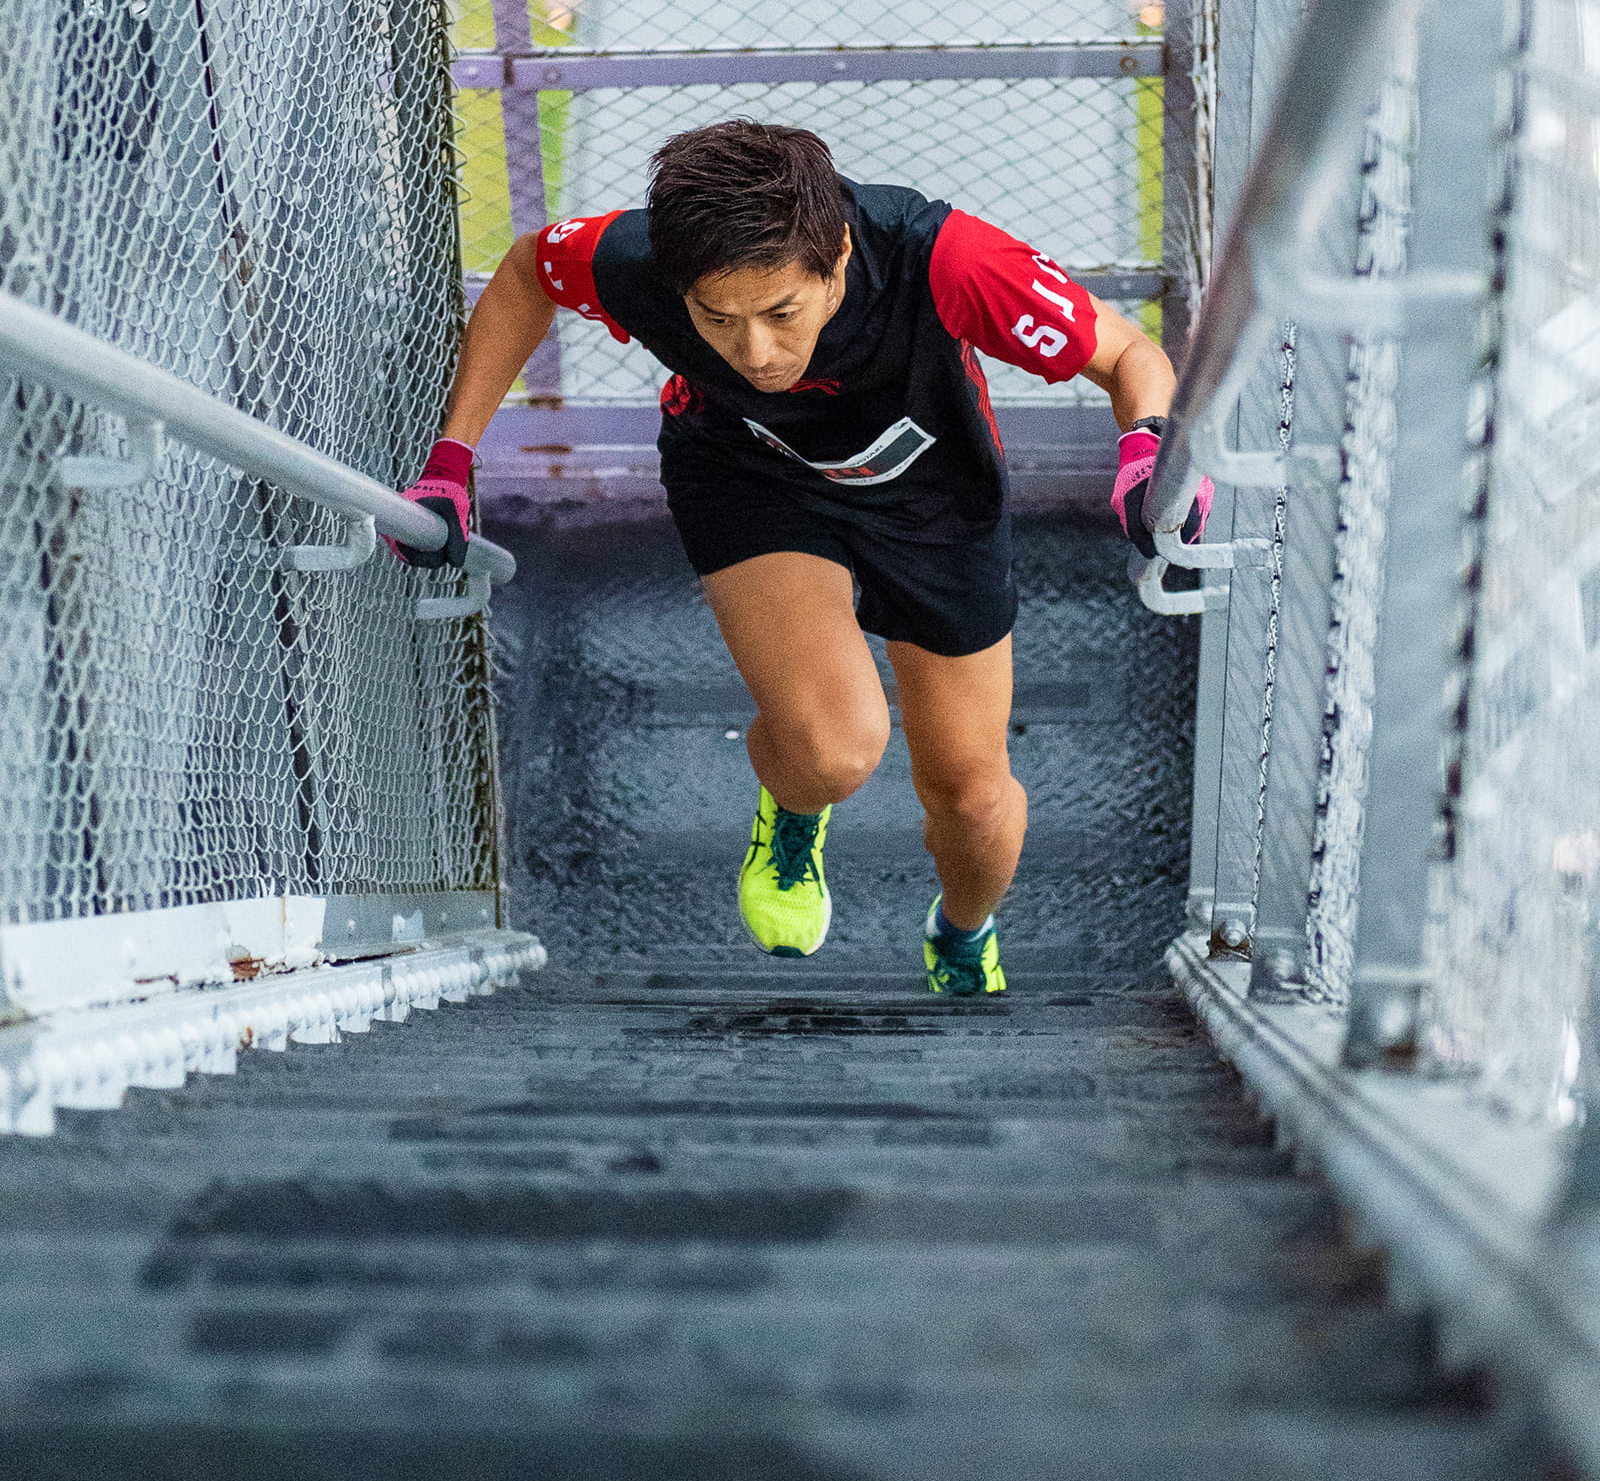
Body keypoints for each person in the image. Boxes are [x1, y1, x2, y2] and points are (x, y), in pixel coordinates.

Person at [394, 120, 1210, 996]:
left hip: (931, 499)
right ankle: (793, 806)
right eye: (718, 319)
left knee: (972, 798)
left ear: (840, 257)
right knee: (831, 751)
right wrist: (452, 459)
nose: (756, 352)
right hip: (749, 473)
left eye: (781, 312)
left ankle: (962, 930)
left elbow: (1128, 353)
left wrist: (1147, 447)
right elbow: (528, 269)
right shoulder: (636, 257)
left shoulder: (950, 260)